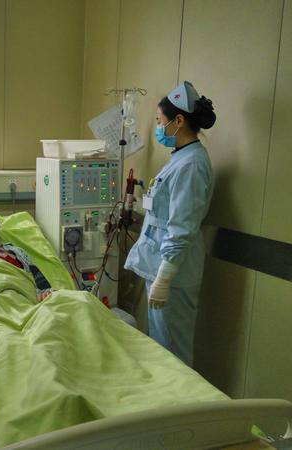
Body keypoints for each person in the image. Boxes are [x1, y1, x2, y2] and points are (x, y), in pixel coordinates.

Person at [124, 81, 216, 367]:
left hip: (173, 275)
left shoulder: (192, 165)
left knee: (173, 355)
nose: (158, 128)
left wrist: (164, 279)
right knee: (162, 348)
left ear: (178, 121)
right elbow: (165, 213)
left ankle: (181, 398)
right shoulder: (180, 159)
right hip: (162, 268)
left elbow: (182, 228)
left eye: (159, 121)